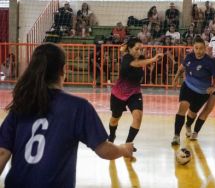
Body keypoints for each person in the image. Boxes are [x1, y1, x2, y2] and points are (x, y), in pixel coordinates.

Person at [0, 43, 134, 187]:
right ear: (63, 70)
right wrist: (124, 149)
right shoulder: (78, 107)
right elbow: (104, 150)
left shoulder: (21, 105)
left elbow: (2, 153)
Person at [108, 38, 164, 149]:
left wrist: (155, 61)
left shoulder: (140, 57)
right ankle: (112, 135)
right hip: (119, 94)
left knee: (137, 117)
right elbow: (137, 64)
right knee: (115, 118)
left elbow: (144, 63)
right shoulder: (126, 58)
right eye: (137, 49)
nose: (139, 51)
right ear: (130, 48)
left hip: (134, 93)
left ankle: (128, 144)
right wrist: (153, 59)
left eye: (141, 49)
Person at [171, 37, 215, 145]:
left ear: (205, 49)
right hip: (188, 87)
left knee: (192, 113)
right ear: (193, 48)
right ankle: (176, 136)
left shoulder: (209, 62)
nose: (198, 51)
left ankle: (188, 125)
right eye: (196, 48)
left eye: (201, 49)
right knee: (182, 108)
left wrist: (213, 87)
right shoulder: (189, 57)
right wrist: (176, 78)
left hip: (202, 93)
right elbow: (181, 68)